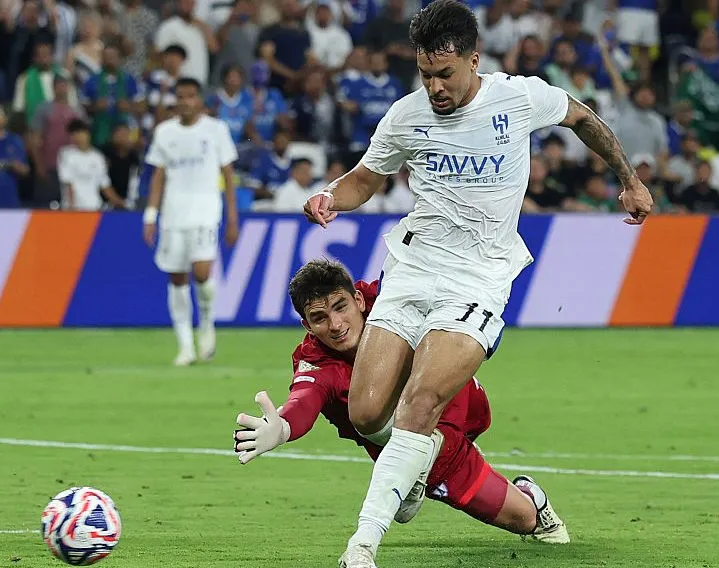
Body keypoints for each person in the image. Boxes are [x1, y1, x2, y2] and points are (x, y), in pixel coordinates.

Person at [302, 2, 653, 568]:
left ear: (473, 59)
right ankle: (412, 467)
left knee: (420, 403)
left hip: (479, 277)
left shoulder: (519, 97)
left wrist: (629, 179)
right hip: (413, 268)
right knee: (366, 414)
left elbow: (583, 117)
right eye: (425, 75)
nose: (435, 87)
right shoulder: (406, 115)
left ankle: (361, 546)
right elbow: (366, 177)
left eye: (445, 74)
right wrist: (329, 198)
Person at [233, 260, 542, 536]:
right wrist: (283, 428)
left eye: (340, 307)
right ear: (307, 326)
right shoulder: (318, 363)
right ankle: (528, 494)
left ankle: (417, 467)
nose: (336, 325)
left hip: (457, 401)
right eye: (320, 317)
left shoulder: (392, 298)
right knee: (525, 519)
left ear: (358, 300)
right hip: (418, 449)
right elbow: (303, 398)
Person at [142, 78, 240, 366]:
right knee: (177, 277)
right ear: (175, 100)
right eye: (180, 96)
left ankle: (207, 323)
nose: (185, 101)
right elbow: (158, 177)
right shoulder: (164, 132)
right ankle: (185, 346)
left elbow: (229, 176)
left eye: (191, 96)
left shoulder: (216, 130)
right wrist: (150, 215)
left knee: (201, 271)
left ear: (199, 100)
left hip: (206, 210)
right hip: (173, 213)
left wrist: (232, 217)